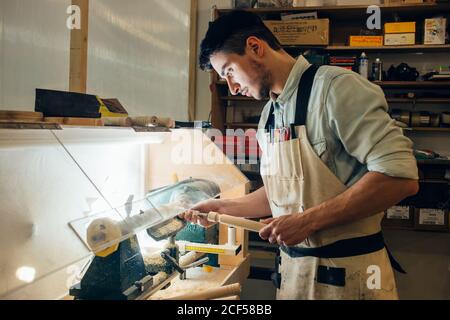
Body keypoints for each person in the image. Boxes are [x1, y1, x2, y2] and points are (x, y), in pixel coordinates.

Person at [181, 10, 419, 300]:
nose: (231, 86)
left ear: (255, 47)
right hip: (294, 277)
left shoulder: (335, 88)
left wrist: (307, 221)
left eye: (229, 71)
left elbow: (400, 178)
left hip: (351, 279)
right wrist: (221, 209)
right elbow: (283, 192)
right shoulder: (270, 113)